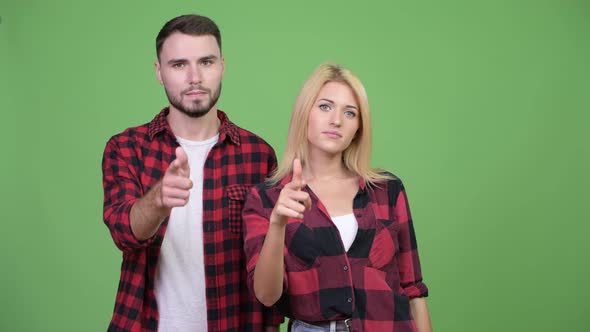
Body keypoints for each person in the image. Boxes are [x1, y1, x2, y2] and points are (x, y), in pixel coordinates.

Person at [102, 14, 282, 331]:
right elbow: (123, 233)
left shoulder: (259, 155)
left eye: (206, 62)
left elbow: (267, 261)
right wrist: (157, 200)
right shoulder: (127, 148)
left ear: (222, 65)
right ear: (159, 72)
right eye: (179, 64)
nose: (194, 77)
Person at [242, 63, 432, 332]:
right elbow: (266, 295)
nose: (336, 121)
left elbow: (413, 290)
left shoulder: (387, 191)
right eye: (325, 107)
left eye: (350, 113)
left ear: (358, 127)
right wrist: (277, 224)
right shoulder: (266, 198)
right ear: (304, 113)